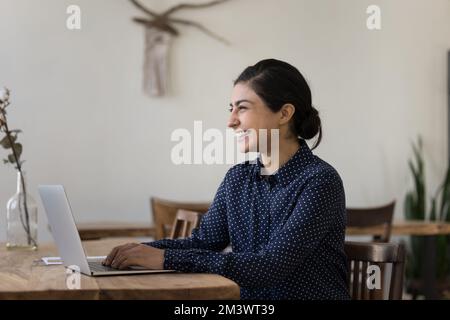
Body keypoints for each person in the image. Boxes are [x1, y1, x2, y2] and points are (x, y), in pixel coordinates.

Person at [103, 59, 350, 300]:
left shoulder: (320, 181)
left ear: (284, 113)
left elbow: (273, 265)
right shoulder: (238, 178)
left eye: (242, 108)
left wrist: (166, 258)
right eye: (231, 109)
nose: (231, 121)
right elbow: (204, 243)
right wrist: (138, 252)